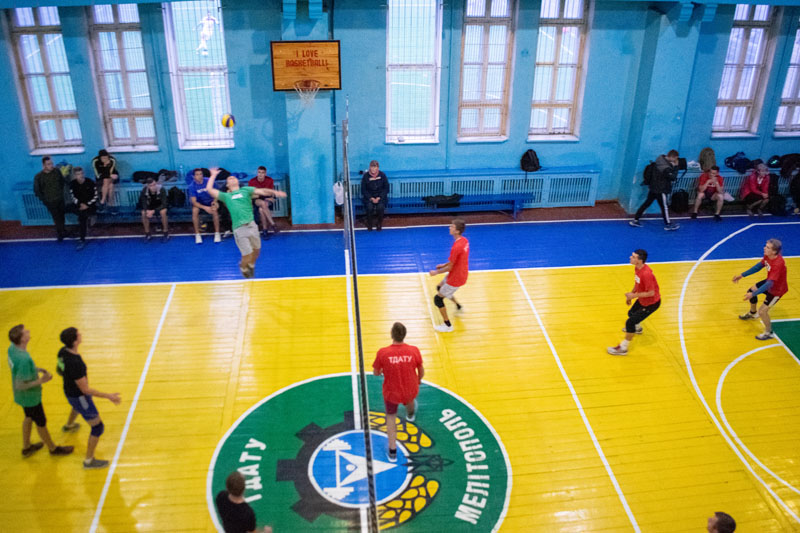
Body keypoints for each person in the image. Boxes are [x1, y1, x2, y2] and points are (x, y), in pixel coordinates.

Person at [7, 325, 74, 458]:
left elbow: (17, 369)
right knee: (41, 422)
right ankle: (53, 449)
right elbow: (20, 384)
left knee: (28, 417)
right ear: (22, 339)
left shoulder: (12, 348)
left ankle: (26, 447)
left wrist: (35, 369)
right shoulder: (24, 359)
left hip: (22, 396)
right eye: (26, 332)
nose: (29, 332)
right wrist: (41, 380)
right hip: (30, 397)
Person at [57, 327, 121, 469]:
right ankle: (89, 461)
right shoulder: (76, 363)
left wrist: (70, 379)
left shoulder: (62, 351)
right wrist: (109, 396)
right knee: (98, 427)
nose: (80, 334)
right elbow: (85, 390)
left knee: (75, 406)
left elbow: (60, 369)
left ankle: (69, 425)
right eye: (78, 334)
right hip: (80, 396)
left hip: (69, 391)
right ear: (74, 341)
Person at [206, 167, 287, 278]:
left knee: (257, 251)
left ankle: (252, 265)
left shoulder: (246, 190)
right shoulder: (226, 196)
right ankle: (243, 267)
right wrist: (213, 175)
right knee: (247, 254)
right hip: (239, 229)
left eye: (234, 177)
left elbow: (262, 191)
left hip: (252, 226)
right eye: (229, 178)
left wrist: (275, 192)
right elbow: (210, 190)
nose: (232, 178)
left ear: (238, 182)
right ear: (227, 185)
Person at [373, 322, 424, 462]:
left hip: (391, 392)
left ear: (392, 334)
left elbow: (376, 372)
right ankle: (410, 415)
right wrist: (418, 381)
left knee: (391, 418)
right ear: (404, 335)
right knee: (410, 400)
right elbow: (421, 370)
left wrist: (382, 370)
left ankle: (392, 452)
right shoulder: (414, 350)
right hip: (409, 389)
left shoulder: (383, 353)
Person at [607, 249, 661, 355]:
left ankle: (623, 348)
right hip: (642, 299)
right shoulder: (637, 268)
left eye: (633, 257)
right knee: (631, 313)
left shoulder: (646, 274)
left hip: (651, 303)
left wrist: (634, 295)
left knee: (630, 322)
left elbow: (651, 293)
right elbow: (637, 283)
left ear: (639, 260)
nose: (630, 257)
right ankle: (637, 328)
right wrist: (631, 295)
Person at [732, 238, 787, 340]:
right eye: (765, 246)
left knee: (762, 312)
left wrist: (753, 294)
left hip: (776, 290)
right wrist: (742, 275)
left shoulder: (778, 263)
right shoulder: (768, 256)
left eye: (768, 247)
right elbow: (758, 266)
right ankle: (753, 313)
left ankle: (769, 333)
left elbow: (769, 284)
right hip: (770, 282)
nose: (764, 248)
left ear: (774, 251)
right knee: (751, 290)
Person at [428, 219, 469, 332]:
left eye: (452, 226)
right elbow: (455, 261)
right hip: (460, 273)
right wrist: (444, 265)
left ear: (457, 231)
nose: (449, 228)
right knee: (440, 288)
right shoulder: (464, 241)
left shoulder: (456, 247)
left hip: (456, 278)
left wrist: (435, 272)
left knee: (438, 299)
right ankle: (458, 306)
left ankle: (447, 325)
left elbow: (450, 267)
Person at [630, 150, 681, 231]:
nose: (676, 160)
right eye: (675, 158)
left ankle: (635, 220)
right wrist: (676, 167)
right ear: (673, 157)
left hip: (653, 187)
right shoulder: (665, 168)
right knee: (664, 207)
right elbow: (673, 177)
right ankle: (668, 224)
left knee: (646, 203)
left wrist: (671, 165)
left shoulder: (659, 160)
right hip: (661, 189)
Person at [33, 156, 67, 241]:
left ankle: (63, 230)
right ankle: (60, 233)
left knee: (62, 215)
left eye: (51, 163)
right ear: (44, 165)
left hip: (60, 198)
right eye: (48, 164)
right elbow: (37, 190)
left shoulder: (57, 171)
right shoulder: (39, 177)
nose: (51, 165)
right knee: (56, 217)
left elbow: (62, 182)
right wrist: (45, 200)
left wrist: (61, 194)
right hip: (50, 201)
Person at [188, 168, 224, 244]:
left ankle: (217, 233)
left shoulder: (209, 181)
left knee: (214, 210)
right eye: (197, 174)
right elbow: (194, 202)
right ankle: (197, 234)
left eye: (201, 174)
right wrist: (205, 208)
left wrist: (215, 202)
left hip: (211, 201)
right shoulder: (192, 186)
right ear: (194, 176)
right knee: (195, 210)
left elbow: (217, 193)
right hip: (200, 203)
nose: (199, 176)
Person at [69, 167, 98, 251]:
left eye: (82, 173)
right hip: (79, 205)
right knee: (65, 209)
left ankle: (82, 238)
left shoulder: (90, 182)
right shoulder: (72, 184)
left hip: (90, 205)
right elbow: (73, 197)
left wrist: (87, 205)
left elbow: (95, 196)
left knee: (82, 217)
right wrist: (80, 204)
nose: (81, 175)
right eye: (78, 174)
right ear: (75, 175)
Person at [248, 166, 279, 237]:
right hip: (257, 200)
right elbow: (252, 196)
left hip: (266, 199)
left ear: (265, 174)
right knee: (262, 203)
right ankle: (272, 224)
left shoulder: (270, 180)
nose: (260, 174)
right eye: (259, 172)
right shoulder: (252, 181)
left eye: (262, 173)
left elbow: (270, 193)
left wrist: (260, 193)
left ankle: (265, 230)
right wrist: (263, 194)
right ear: (257, 173)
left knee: (261, 209)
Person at [361, 160, 389, 231]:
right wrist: (371, 198)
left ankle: (379, 223)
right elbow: (363, 190)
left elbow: (386, 188)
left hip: (380, 197)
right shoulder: (365, 176)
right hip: (369, 197)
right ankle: (369, 223)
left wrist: (380, 197)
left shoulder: (382, 175)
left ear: (378, 168)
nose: (373, 169)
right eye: (372, 167)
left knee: (380, 207)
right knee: (369, 207)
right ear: (369, 167)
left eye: (375, 167)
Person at [139, 177, 169, 242]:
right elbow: (143, 202)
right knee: (143, 213)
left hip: (160, 206)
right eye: (151, 185)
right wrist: (147, 210)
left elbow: (164, 204)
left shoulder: (162, 189)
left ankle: (166, 233)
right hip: (150, 206)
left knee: (163, 212)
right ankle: (147, 234)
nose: (153, 187)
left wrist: (153, 211)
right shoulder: (144, 190)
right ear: (148, 186)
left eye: (154, 184)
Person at [92, 149, 119, 213]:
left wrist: (107, 166)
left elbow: (111, 172)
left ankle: (102, 202)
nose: (105, 159)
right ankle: (110, 204)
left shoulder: (112, 160)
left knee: (107, 180)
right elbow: (97, 174)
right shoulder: (95, 161)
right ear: (100, 158)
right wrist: (105, 168)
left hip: (112, 176)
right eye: (103, 158)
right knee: (110, 185)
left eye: (106, 158)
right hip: (100, 178)